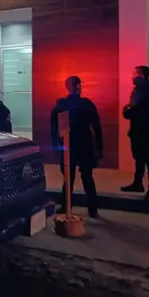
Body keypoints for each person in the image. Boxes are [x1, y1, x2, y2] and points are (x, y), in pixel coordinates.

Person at [50, 76, 102, 219]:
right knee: (87, 177)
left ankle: (66, 204)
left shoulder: (61, 104)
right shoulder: (87, 104)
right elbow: (97, 127)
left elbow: (54, 127)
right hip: (84, 145)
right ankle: (92, 208)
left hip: (68, 145)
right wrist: (99, 148)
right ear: (79, 86)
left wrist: (55, 145)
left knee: (68, 177)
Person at [121, 65, 149, 200]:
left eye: (135, 74)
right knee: (138, 157)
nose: (132, 77)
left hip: (145, 130)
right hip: (137, 130)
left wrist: (129, 111)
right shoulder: (139, 90)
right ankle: (138, 183)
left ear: (142, 76)